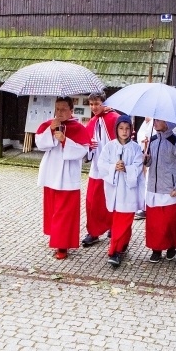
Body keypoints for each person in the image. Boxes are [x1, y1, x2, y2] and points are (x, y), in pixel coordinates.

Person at [35, 97, 90, 259]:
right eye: (57, 109)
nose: (59, 112)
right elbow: (40, 144)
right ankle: (56, 238)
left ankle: (62, 246)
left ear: (71, 110)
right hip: (51, 172)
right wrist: (50, 132)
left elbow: (82, 151)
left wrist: (65, 140)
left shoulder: (78, 128)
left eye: (64, 109)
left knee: (64, 213)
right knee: (53, 210)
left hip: (67, 175)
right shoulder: (48, 125)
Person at [97, 115, 145, 268]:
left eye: (127, 128)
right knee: (118, 220)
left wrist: (127, 169)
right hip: (115, 190)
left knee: (125, 220)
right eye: (121, 128)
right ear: (116, 129)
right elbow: (101, 164)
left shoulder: (136, 148)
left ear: (131, 130)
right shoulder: (109, 147)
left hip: (129, 191)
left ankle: (114, 250)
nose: (124, 132)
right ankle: (122, 244)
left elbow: (138, 167)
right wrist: (113, 167)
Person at [145, 118, 176, 263]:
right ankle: (156, 249)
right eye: (155, 120)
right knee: (154, 223)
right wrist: (145, 159)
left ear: (167, 123)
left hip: (170, 189)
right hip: (153, 187)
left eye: (159, 120)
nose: (155, 123)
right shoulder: (152, 140)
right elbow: (149, 163)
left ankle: (171, 245)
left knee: (169, 222)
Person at [81, 92, 120, 247]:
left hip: (112, 167)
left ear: (104, 102)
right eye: (91, 104)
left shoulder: (115, 118)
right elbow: (86, 145)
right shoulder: (92, 122)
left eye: (97, 103)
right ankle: (94, 231)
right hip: (96, 167)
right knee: (92, 200)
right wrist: (89, 147)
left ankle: (113, 226)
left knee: (112, 198)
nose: (94, 107)